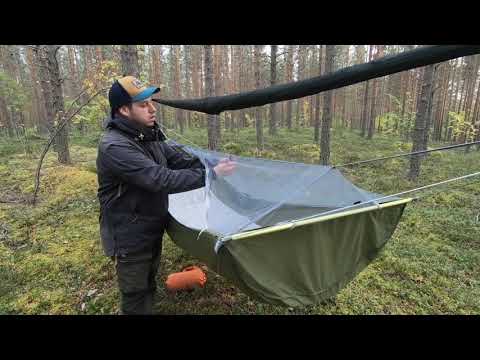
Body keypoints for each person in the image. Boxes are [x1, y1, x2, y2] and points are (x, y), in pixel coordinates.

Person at [96, 76, 235, 314]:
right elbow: (161, 179)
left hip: (148, 226)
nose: (152, 109)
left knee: (148, 281)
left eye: (151, 102)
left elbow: (178, 159)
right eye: (143, 105)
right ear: (123, 110)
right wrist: (210, 175)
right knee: (135, 293)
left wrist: (210, 162)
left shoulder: (146, 135)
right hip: (128, 235)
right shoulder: (115, 146)